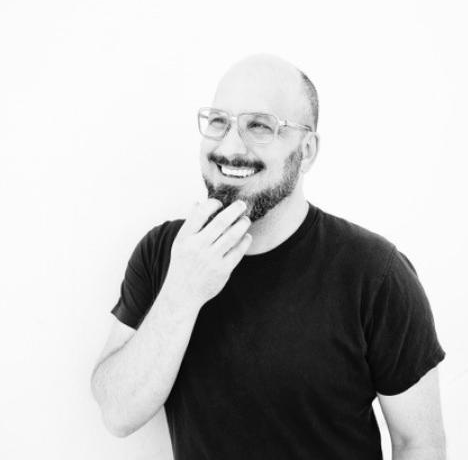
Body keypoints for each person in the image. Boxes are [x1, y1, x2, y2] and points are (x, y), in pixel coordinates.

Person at [90, 53, 447, 460]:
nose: (229, 146)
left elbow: (419, 443)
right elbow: (117, 414)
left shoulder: (375, 274)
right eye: (219, 121)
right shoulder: (164, 253)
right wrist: (182, 292)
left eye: (259, 126)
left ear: (307, 150)